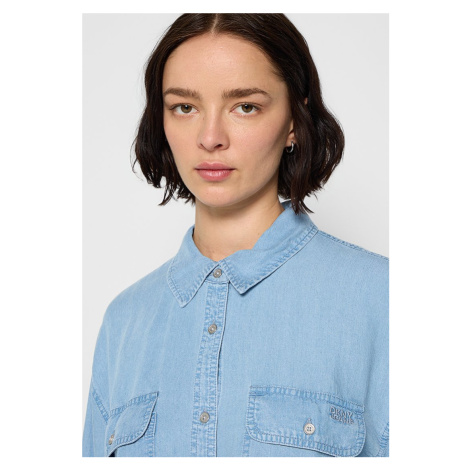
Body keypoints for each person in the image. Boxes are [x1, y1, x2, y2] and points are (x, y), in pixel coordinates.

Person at [83, 13, 388, 457]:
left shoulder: (383, 299)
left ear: (293, 120)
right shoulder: (124, 322)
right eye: (184, 107)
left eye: (245, 106)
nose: (210, 138)